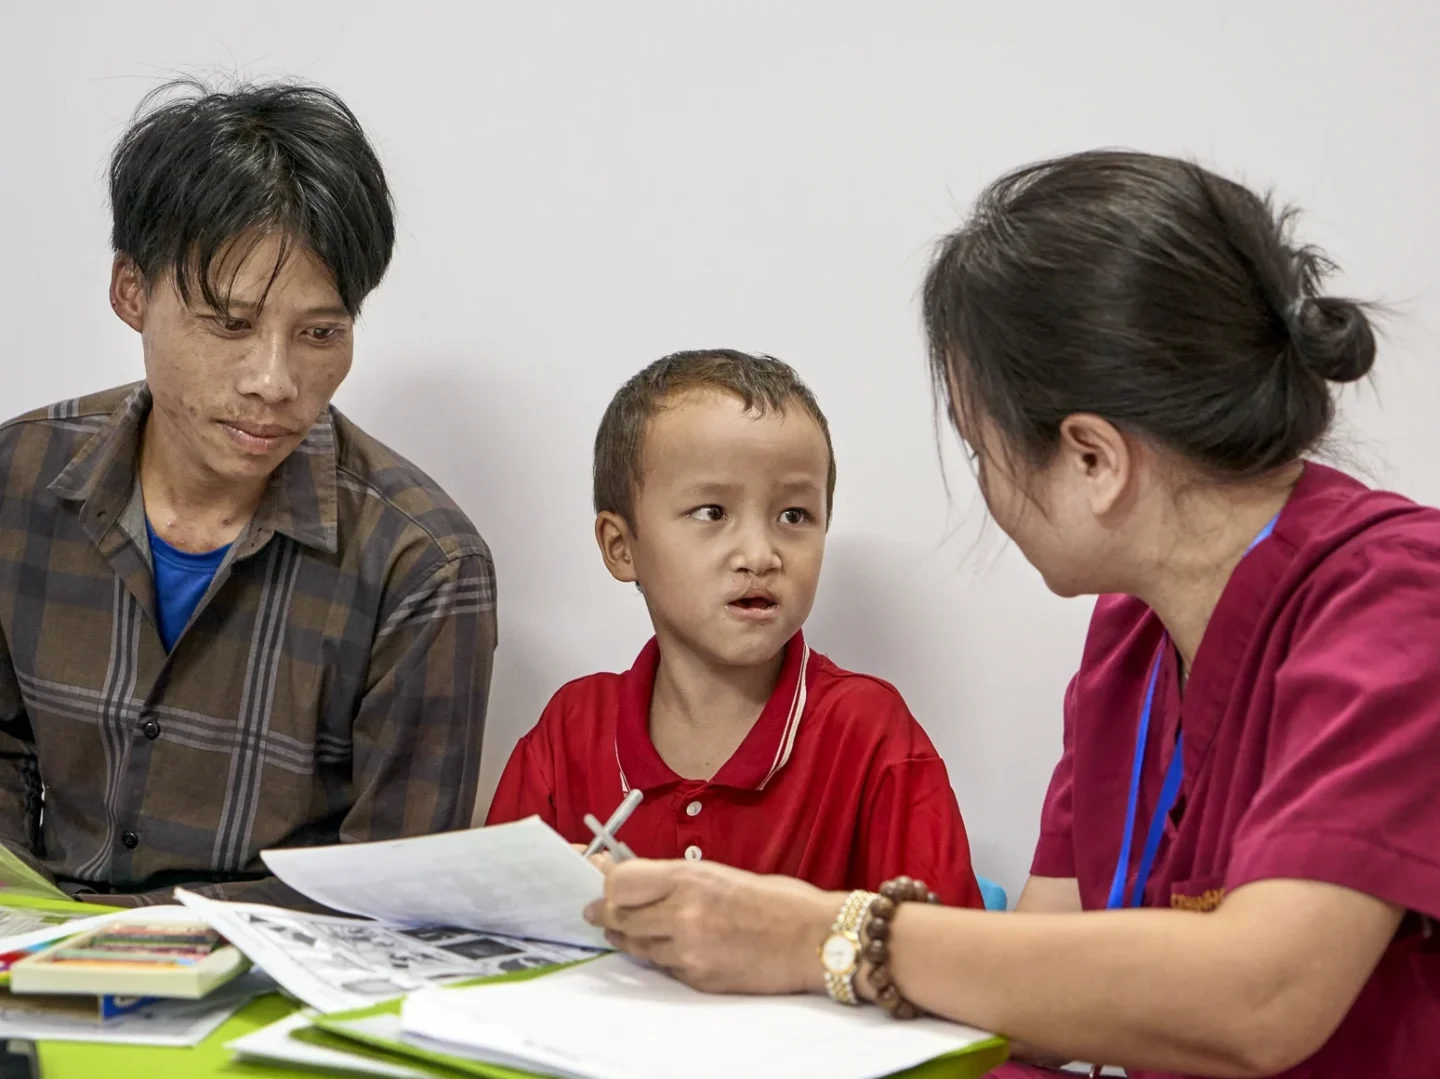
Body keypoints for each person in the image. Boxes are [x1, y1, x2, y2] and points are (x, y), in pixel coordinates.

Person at [583, 152, 1440, 1078]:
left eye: (978, 445)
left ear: (1092, 460)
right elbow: (1041, 992)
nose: (985, 489)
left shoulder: (1400, 599)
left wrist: (824, 933)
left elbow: (1260, 996)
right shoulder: (1132, 640)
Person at [0, 79, 495, 908]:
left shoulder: (425, 564)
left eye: (321, 334)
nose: (275, 382)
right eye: (230, 324)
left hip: (269, 985)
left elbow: (394, 898)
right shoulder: (17, 480)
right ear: (132, 291)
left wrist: (137, 942)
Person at [487, 350, 983, 907]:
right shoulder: (569, 731)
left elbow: (950, 958)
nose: (759, 554)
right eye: (711, 513)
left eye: (794, 516)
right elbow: (486, 934)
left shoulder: (869, 733)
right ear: (621, 548)